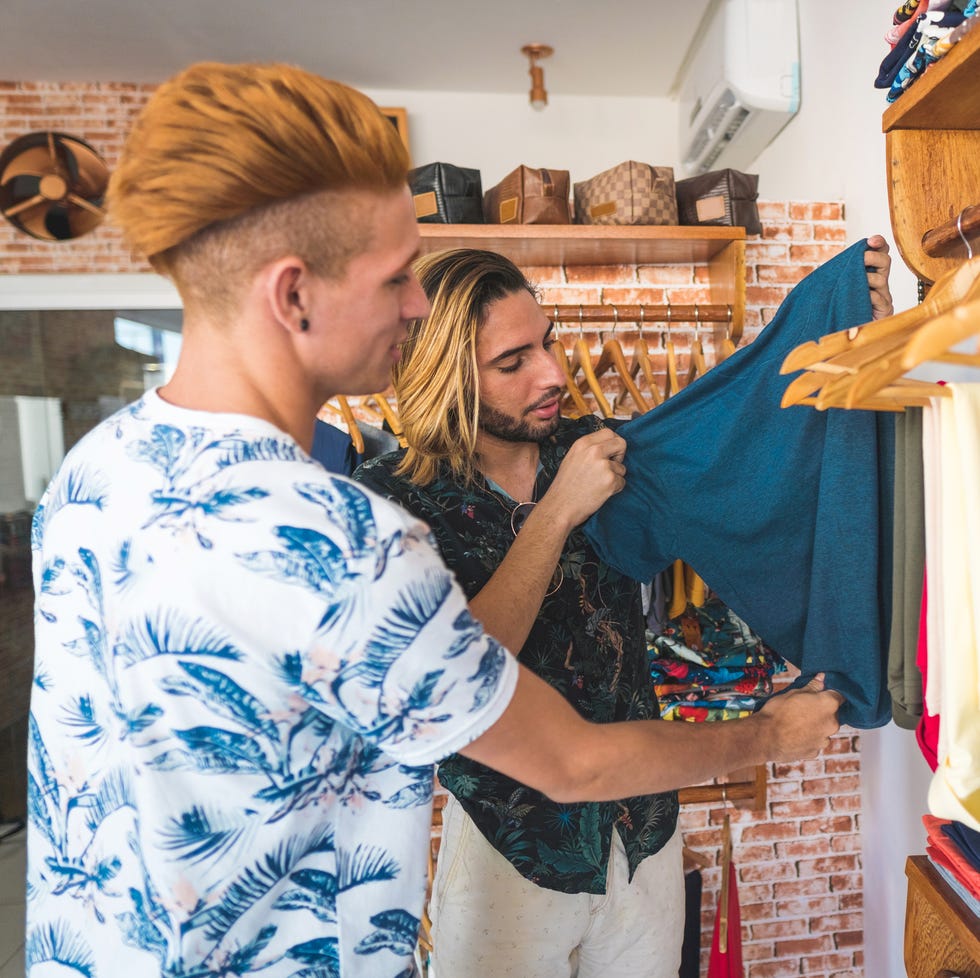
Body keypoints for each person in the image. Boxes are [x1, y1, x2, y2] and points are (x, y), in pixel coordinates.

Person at [26, 61, 842, 978]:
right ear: (293, 295)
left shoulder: (96, 471)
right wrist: (769, 737)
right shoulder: (345, 547)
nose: (416, 308)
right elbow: (568, 763)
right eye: (395, 279)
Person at [354, 243, 894, 977]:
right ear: (450, 377)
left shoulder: (596, 447)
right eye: (514, 362)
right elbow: (458, 674)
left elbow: (748, 437)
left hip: (644, 831)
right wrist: (557, 514)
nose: (553, 373)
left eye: (546, 342)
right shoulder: (395, 501)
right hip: (511, 853)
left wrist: (849, 335)